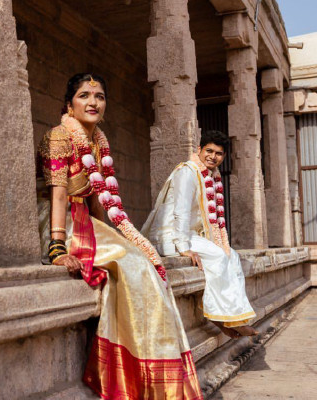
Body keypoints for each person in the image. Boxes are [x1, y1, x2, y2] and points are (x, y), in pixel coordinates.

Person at [36, 73, 203, 399]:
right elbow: (58, 194)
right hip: (59, 220)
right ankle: (133, 375)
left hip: (87, 219)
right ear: (69, 105)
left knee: (145, 261)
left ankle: (152, 369)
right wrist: (57, 248)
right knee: (133, 265)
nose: (93, 102)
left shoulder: (100, 141)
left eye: (99, 96)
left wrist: (120, 236)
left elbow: (100, 200)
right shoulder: (58, 136)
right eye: (84, 95)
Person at [141, 130, 258, 339]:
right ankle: (219, 316)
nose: (213, 157)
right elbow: (181, 210)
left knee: (232, 256)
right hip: (169, 234)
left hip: (191, 234)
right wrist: (183, 247)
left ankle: (233, 317)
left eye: (219, 154)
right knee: (219, 256)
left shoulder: (213, 176)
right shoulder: (188, 171)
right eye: (209, 151)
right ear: (199, 150)